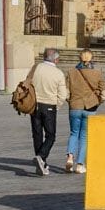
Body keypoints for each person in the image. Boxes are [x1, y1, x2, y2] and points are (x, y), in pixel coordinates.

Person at [65, 49, 105, 175]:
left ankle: (70, 157)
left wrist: (70, 101)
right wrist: (98, 102)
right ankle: (80, 164)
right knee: (84, 136)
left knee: (73, 133)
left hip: (75, 107)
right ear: (91, 58)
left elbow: (66, 92)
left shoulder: (71, 72)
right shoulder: (97, 73)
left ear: (79, 58)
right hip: (90, 107)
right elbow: (104, 93)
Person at [28, 48, 69, 176]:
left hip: (34, 105)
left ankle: (42, 163)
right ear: (56, 59)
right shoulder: (58, 73)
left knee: (37, 134)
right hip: (49, 106)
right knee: (51, 135)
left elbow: (28, 83)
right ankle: (41, 156)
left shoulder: (36, 68)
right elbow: (63, 95)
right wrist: (57, 106)